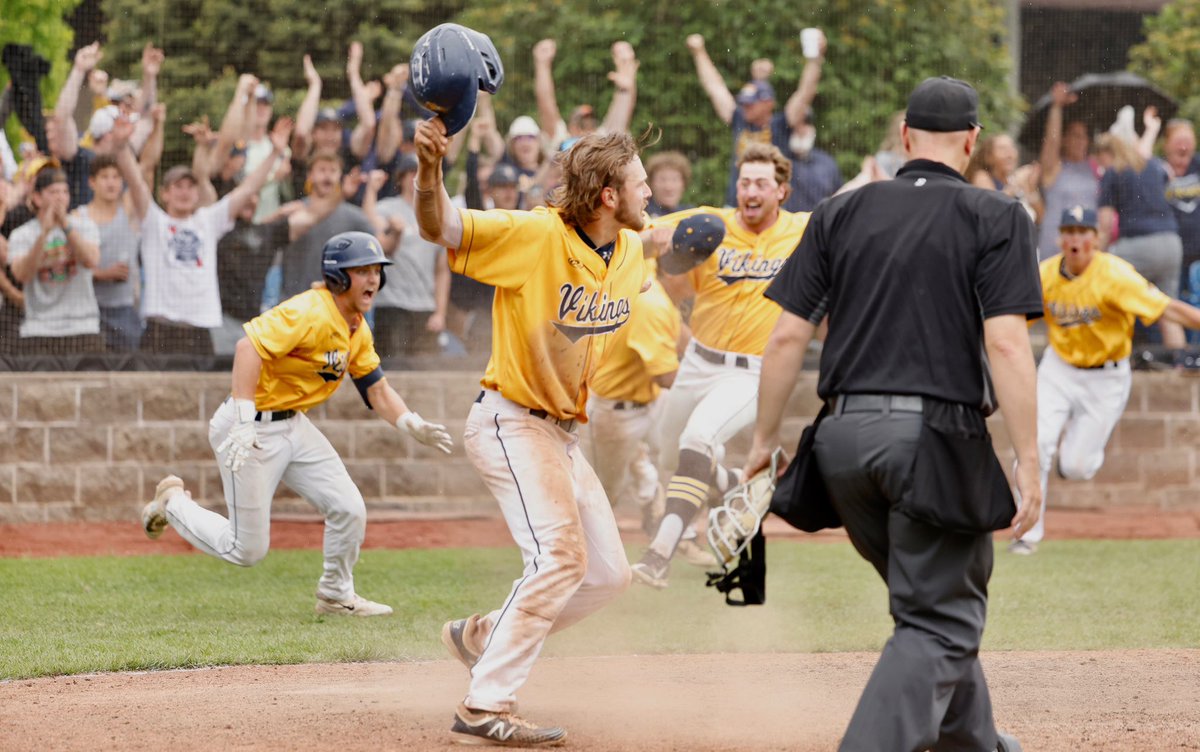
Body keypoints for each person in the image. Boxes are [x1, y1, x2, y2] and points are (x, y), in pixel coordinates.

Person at [744, 76, 1039, 752]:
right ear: (971, 141)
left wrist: (764, 439)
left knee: (931, 606)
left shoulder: (839, 212)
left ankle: (976, 743)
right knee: (940, 621)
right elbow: (1006, 343)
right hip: (930, 443)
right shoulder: (996, 215)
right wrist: (1028, 459)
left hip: (841, 446)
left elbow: (788, 336)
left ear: (904, 137)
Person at [413, 117, 649, 745]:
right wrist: (430, 168)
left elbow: (675, 237)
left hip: (560, 435)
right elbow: (441, 227)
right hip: (509, 420)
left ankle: (484, 637)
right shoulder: (536, 236)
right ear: (607, 195)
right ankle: (484, 706)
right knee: (560, 557)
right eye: (639, 183)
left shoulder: (628, 248)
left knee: (607, 575)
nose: (648, 192)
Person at [141, 231, 453, 615]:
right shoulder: (310, 311)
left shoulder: (356, 325)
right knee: (246, 550)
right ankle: (173, 504)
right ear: (339, 276)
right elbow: (247, 348)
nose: (373, 279)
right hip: (248, 429)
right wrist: (242, 421)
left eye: (376, 270)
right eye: (363, 270)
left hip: (293, 425)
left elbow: (376, 387)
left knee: (349, 508)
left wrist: (409, 422)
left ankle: (336, 594)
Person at [630, 143, 810, 589]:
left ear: (781, 191)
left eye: (761, 183)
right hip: (697, 363)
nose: (750, 190)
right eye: (744, 181)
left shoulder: (804, 230)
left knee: (699, 438)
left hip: (753, 371)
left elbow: (856, 222)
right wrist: (656, 248)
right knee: (669, 456)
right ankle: (735, 480)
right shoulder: (712, 223)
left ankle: (659, 554)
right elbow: (638, 239)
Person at [1010, 205, 1200, 554]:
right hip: (1059, 369)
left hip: (1106, 378)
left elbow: (1168, 309)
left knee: (1078, 467)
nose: (1075, 239)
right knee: (1035, 443)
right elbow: (1011, 322)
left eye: (1083, 231)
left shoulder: (1115, 275)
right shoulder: (1046, 275)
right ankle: (1026, 534)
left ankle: (1073, 458)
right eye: (1069, 231)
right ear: (1060, 237)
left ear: (1096, 238)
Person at [112, 106, 290, 355]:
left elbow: (248, 189)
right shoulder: (155, 222)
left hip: (200, 330)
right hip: (160, 329)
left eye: (190, 186)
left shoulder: (208, 220)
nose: (184, 192)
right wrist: (121, 147)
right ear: (165, 194)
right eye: (178, 186)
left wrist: (275, 154)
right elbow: (136, 180)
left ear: (197, 193)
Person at [586, 257, 681, 537]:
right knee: (607, 490)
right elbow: (665, 376)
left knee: (683, 451)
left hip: (652, 401)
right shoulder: (651, 302)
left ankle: (658, 504)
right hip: (615, 410)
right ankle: (581, 552)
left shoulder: (649, 269)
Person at [687, 29, 825, 207]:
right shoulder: (739, 118)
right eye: (743, 102)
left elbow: (806, 92)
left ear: (768, 103)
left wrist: (815, 59)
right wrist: (699, 52)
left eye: (750, 103)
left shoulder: (781, 123)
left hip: (772, 206)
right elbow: (714, 87)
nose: (745, 107)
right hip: (737, 205)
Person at [1095, 131, 1185, 350]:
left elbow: (1105, 225)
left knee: (1104, 289)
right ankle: (1180, 366)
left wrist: (1096, 259)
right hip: (1171, 243)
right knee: (1168, 310)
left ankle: (1111, 356)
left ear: (1106, 153)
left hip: (1138, 246)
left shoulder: (1113, 171)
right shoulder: (1154, 165)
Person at [6, 166, 103, 355]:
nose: (60, 197)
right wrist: (44, 234)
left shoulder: (85, 226)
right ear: (37, 198)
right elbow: (22, 274)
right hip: (38, 329)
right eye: (53, 192)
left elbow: (91, 260)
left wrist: (65, 226)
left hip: (82, 327)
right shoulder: (21, 234)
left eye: (64, 192)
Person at [363, 155, 449, 359]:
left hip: (425, 306)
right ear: (401, 178)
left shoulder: (436, 215)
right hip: (392, 304)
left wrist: (440, 312)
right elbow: (368, 224)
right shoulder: (389, 208)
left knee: (427, 373)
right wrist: (371, 190)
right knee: (391, 369)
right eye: (411, 173)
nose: (416, 178)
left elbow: (442, 271)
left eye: (421, 172)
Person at [278, 150, 375, 300]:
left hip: (335, 306)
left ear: (340, 176)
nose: (328, 176)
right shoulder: (295, 210)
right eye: (322, 170)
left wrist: (396, 232)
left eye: (333, 171)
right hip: (294, 303)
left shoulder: (353, 217)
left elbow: (379, 245)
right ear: (310, 175)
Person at [76, 153, 141, 351]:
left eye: (116, 177)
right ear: (92, 182)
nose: (111, 183)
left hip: (124, 310)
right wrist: (101, 274)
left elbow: (146, 167)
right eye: (105, 177)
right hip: (88, 310)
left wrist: (155, 125)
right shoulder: (78, 217)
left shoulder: (129, 211)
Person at [532, 38, 639, 150]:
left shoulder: (603, 143)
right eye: (580, 124)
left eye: (590, 125)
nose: (584, 131)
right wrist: (542, 66)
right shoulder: (560, 142)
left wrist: (625, 91)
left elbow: (619, 120)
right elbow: (547, 109)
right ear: (570, 127)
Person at [1038, 81, 1100, 259]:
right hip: (1056, 248)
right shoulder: (1055, 168)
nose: (1081, 141)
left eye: (1084, 136)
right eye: (1075, 136)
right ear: (1064, 140)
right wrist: (1056, 107)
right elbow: (1052, 141)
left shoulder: (1094, 167)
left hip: (1088, 251)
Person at [1161, 119, 1200, 310]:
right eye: (1178, 142)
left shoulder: (1198, 165)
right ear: (1166, 145)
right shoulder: (1157, 170)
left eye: (1188, 142)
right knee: (1173, 303)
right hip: (1171, 253)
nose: (1184, 146)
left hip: (1198, 250)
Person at [644, 151, 693, 217]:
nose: (668, 187)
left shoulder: (691, 213)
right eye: (662, 179)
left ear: (683, 184)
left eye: (674, 180)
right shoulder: (642, 214)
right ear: (651, 183)